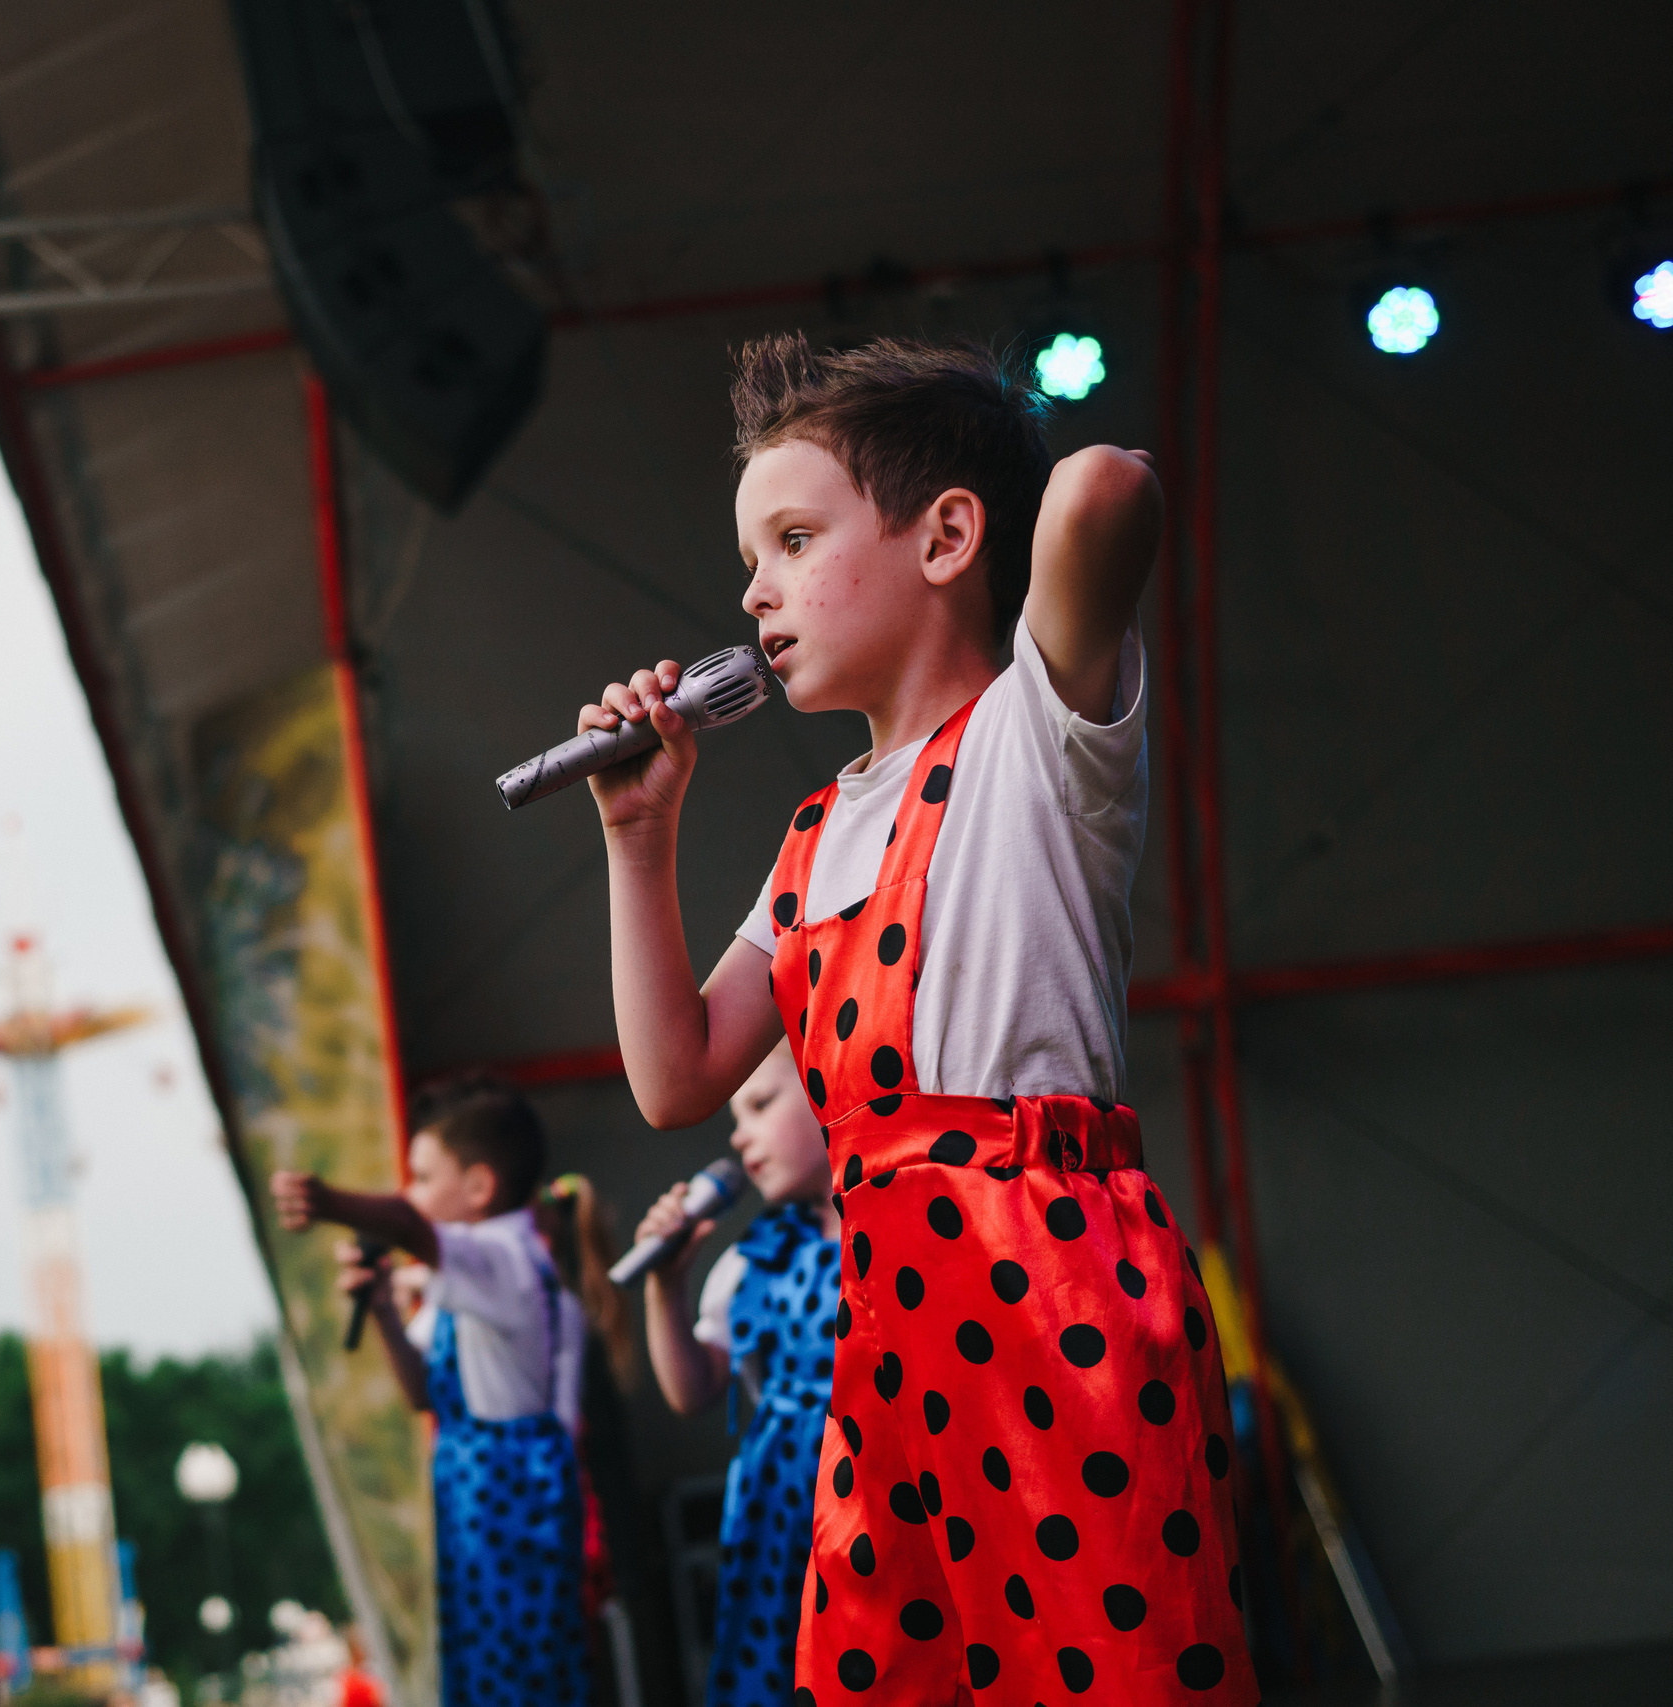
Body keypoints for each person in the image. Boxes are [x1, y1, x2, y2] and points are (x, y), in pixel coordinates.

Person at [575, 335, 1249, 1702]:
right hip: (890, 1323)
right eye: (753, 550)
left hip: (1049, 1274)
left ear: (947, 536)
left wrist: (987, 436)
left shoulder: (1038, 732)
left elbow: (1104, 487)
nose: (755, 588)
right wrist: (638, 842)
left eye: (796, 534)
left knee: (1107, 1662)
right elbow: (675, 1075)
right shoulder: (814, 832)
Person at [270, 1077, 589, 1707]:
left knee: (520, 1673)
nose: (408, 1194)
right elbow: (424, 1394)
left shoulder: (506, 1261)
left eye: (420, 1177)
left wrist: (330, 1200)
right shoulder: (464, 1280)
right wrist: (385, 1309)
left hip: (512, 1500)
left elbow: (414, 1230)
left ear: (478, 1187)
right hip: (474, 1497)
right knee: (484, 1667)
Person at [634, 1039, 842, 1707]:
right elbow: (693, 1387)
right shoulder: (751, 1261)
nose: (739, 1133)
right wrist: (665, 1287)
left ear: (826, 1091)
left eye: (759, 1103)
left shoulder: (908, 1227)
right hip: (787, 1516)